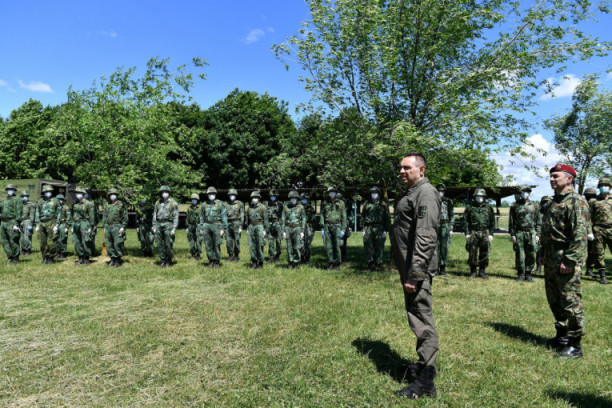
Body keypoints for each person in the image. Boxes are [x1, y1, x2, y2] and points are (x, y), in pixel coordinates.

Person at [391, 152, 440, 399]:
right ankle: (422, 365)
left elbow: (426, 236)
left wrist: (416, 273)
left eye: (406, 167)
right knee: (415, 315)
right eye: (400, 167)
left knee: (422, 319)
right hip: (409, 268)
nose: (401, 171)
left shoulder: (426, 193)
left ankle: (426, 382)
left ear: (421, 169)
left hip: (416, 270)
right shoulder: (413, 192)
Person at [539, 164, 588, 358]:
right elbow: (547, 229)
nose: (552, 179)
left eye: (556, 176)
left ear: (569, 179)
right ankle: (562, 337)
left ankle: (575, 345)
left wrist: (569, 260)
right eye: (551, 176)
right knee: (554, 299)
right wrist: (542, 253)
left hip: (565, 257)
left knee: (570, 300)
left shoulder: (576, 201)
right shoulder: (554, 201)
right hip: (551, 257)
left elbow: (580, 235)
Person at [508, 185, 541, 282]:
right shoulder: (515, 206)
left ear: (529, 193)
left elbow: (539, 220)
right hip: (519, 232)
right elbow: (511, 221)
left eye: (526, 191)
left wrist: (538, 234)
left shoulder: (535, 205)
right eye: (522, 192)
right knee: (519, 253)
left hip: (531, 232)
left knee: (531, 253)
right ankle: (520, 274)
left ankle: (528, 274)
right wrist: (512, 234)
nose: (525, 193)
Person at [464, 188, 495, 278]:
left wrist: (491, 234)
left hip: (485, 232)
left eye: (481, 196)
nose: (480, 198)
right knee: (472, 252)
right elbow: (466, 221)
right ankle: (473, 271)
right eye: (478, 196)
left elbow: (492, 222)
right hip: (474, 232)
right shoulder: (470, 208)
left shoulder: (488, 208)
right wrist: (467, 233)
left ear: (484, 197)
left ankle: (482, 271)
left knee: (484, 253)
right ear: (475, 197)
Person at [360, 186, 390, 271]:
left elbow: (386, 217)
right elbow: (363, 216)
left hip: (379, 227)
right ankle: (370, 264)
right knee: (368, 246)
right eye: (372, 192)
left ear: (378, 194)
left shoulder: (383, 204)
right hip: (368, 227)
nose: (374, 194)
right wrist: (362, 229)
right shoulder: (366, 204)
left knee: (379, 246)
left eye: (375, 192)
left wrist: (385, 230)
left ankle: (378, 265)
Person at [200, 187, 228, 268]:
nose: (211, 195)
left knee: (216, 244)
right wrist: (201, 227)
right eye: (209, 194)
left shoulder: (220, 204)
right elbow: (201, 216)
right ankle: (211, 260)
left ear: (215, 194)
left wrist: (223, 228)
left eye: (212, 194)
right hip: (206, 225)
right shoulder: (204, 204)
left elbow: (224, 216)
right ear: (207, 195)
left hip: (217, 225)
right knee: (208, 244)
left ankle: (217, 261)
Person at [321, 186, 347, 270]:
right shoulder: (324, 203)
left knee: (337, 246)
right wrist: (322, 228)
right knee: (328, 246)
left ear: (336, 192)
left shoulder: (341, 203)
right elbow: (322, 215)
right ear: (328, 193)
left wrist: (343, 229)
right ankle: (330, 263)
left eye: (333, 191)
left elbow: (344, 216)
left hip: (337, 226)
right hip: (327, 226)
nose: (332, 193)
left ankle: (337, 264)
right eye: (330, 192)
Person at [153, 185, 179, 267]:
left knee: (168, 244)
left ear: (169, 192)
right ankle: (163, 259)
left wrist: (174, 229)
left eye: (166, 192)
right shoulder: (157, 203)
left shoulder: (173, 203)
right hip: (159, 225)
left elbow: (176, 216)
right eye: (163, 192)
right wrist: (154, 225)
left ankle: (168, 260)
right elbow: (154, 214)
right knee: (159, 244)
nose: (164, 193)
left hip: (168, 225)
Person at [591, 177, 611, 284]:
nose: (604, 187)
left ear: (610, 187)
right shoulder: (594, 201)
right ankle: (602, 275)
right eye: (602, 185)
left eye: (606, 185)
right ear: (599, 187)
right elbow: (589, 217)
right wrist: (590, 231)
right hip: (598, 229)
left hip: (611, 229)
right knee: (599, 253)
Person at [35, 185, 61, 264]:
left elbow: (59, 213)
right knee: (42, 242)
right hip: (42, 223)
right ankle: (44, 257)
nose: (48, 193)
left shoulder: (55, 201)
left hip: (51, 222)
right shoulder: (40, 201)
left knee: (51, 241)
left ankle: (51, 257)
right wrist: (37, 224)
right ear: (44, 192)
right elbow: (37, 212)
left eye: (49, 191)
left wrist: (57, 225)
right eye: (46, 191)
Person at [70, 186, 96, 265]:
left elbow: (92, 216)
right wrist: (72, 225)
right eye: (76, 193)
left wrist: (91, 227)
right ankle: (80, 258)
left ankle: (86, 258)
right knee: (77, 241)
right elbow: (72, 214)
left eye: (79, 193)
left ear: (83, 194)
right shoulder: (74, 203)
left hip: (84, 223)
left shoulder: (88, 203)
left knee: (85, 241)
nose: (78, 194)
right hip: (76, 223)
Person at [103, 188, 128, 267]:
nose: (112, 196)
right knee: (109, 244)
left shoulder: (121, 205)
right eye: (111, 194)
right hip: (108, 226)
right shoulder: (107, 204)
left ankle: (118, 260)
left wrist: (123, 227)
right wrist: (104, 226)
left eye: (114, 194)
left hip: (117, 226)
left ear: (117, 195)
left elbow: (125, 217)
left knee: (117, 243)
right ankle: (112, 258)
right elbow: (104, 216)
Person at [282, 190, 306, 269]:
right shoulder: (286, 207)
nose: (293, 199)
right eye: (292, 198)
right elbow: (283, 219)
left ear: (297, 198)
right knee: (289, 246)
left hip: (297, 228)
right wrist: (283, 231)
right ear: (289, 198)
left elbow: (304, 218)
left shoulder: (301, 207)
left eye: (295, 198)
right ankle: (290, 262)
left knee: (297, 246)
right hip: (288, 228)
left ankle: (296, 262)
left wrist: (302, 231)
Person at [1, 184, 23, 264]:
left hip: (12, 222)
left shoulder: (17, 199)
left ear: (14, 190)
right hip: (3, 223)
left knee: (13, 240)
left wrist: (16, 224)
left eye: (12, 189)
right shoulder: (4, 200)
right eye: (8, 189)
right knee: (4, 241)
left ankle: (15, 258)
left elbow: (19, 212)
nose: (10, 191)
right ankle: (10, 256)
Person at [246, 191, 269, 269]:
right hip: (251, 226)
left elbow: (266, 219)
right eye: (253, 197)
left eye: (256, 197)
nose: (254, 199)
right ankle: (254, 262)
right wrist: (248, 227)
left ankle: (260, 262)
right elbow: (247, 218)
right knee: (251, 245)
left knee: (259, 245)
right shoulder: (249, 207)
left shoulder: (262, 207)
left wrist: (265, 230)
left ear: (259, 198)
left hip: (259, 226)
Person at [435, 184, 454, 276]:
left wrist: (451, 228)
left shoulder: (448, 201)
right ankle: (435, 267)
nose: (440, 193)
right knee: (435, 247)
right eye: (439, 191)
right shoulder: (432, 200)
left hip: (445, 225)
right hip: (435, 225)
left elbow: (451, 215)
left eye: (442, 191)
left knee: (444, 247)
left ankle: (442, 268)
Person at [225, 188, 245, 261]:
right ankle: (230, 255)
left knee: (236, 240)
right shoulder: (226, 204)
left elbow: (242, 215)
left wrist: (241, 226)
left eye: (233, 195)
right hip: (228, 223)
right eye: (230, 195)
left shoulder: (240, 204)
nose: (232, 196)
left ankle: (236, 255)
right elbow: (224, 215)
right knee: (228, 240)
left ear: (236, 195)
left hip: (236, 223)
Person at [583, 187, 598, 277]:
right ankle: (588, 269)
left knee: (591, 250)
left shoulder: (592, 203)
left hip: (593, 229)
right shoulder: (585, 203)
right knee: (589, 251)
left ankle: (589, 269)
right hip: (588, 229)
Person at [266, 189, 283, 262]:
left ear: (276, 196)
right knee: (270, 241)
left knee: (278, 241)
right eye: (271, 196)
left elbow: (283, 214)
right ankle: (271, 256)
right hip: (270, 224)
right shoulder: (267, 205)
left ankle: (277, 256)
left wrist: (282, 226)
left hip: (278, 224)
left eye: (274, 196)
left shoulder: (280, 204)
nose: (272, 197)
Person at [338, 187, 353, 262]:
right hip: (336, 223)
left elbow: (350, 214)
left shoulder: (347, 202)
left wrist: (350, 225)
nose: (339, 193)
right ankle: (336, 257)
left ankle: (343, 258)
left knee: (343, 241)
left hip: (344, 223)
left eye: (340, 192)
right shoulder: (333, 201)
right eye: (338, 191)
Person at [186, 193, 203, 260]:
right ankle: (193, 254)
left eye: (195, 199)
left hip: (198, 225)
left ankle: (198, 254)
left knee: (198, 241)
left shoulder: (200, 209)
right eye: (193, 199)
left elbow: (202, 218)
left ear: (197, 200)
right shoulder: (189, 208)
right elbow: (187, 218)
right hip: (191, 226)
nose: (194, 201)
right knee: (191, 242)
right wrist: (187, 227)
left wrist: (201, 228)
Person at [300, 193, 316, 264]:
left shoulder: (311, 208)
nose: (304, 201)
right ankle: (301, 257)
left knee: (308, 243)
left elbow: (314, 219)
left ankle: (307, 259)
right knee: (300, 242)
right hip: (301, 226)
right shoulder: (299, 207)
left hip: (309, 226)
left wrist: (313, 229)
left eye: (305, 199)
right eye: (303, 199)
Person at [20, 190, 36, 257]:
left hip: (27, 221)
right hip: (21, 221)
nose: (24, 197)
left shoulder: (31, 204)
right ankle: (23, 249)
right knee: (22, 237)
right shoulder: (20, 204)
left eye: (26, 196)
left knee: (27, 236)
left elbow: (32, 215)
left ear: (28, 197)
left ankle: (28, 249)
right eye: (23, 196)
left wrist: (30, 224)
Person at [56, 194, 70, 260]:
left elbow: (68, 217)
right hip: (56, 225)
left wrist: (67, 227)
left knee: (63, 238)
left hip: (63, 225)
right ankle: (57, 252)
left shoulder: (65, 207)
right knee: (56, 239)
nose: (60, 201)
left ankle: (63, 252)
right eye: (58, 199)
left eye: (61, 199)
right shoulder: (55, 207)